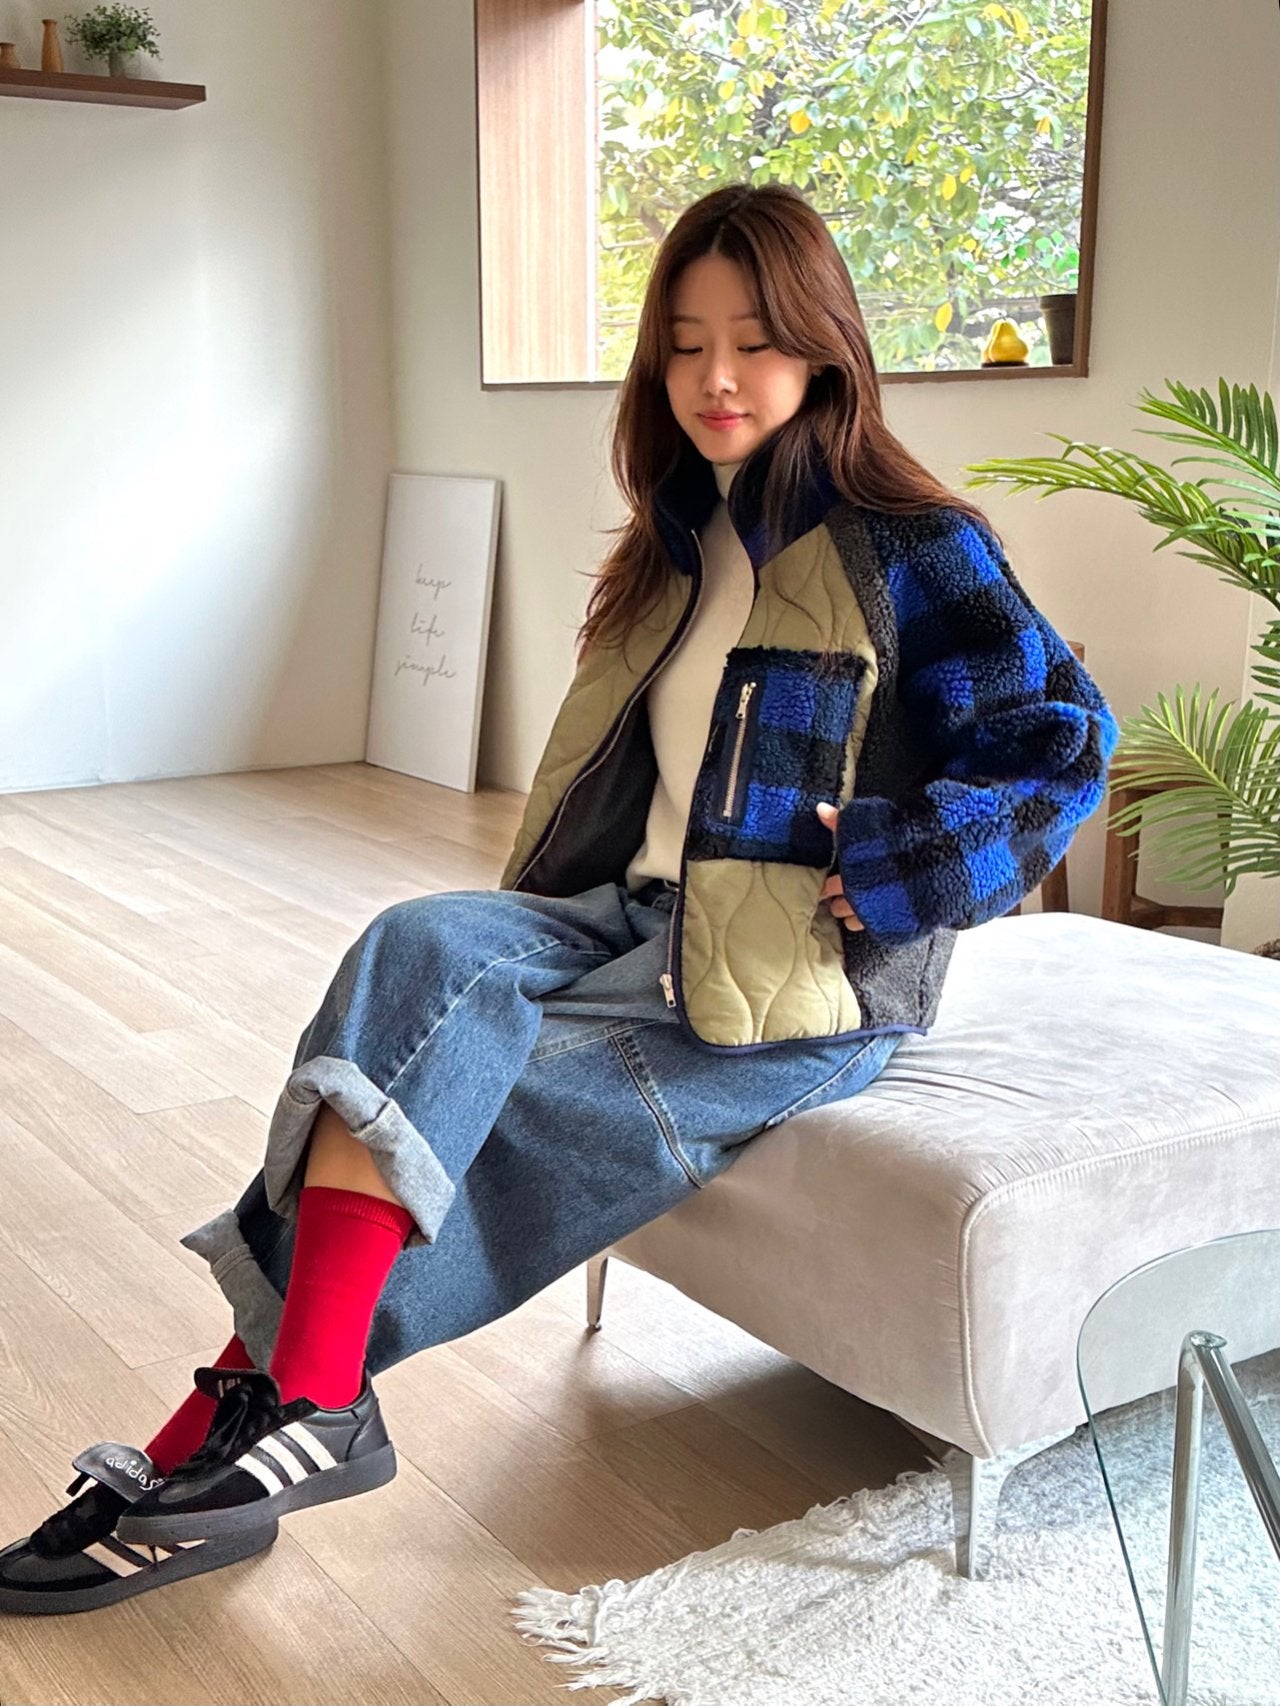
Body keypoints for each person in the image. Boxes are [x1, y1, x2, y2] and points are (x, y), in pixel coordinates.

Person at [0, 182, 1119, 1615]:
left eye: (756, 342)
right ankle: (305, 1412)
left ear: (826, 351)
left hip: (798, 983)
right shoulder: (677, 538)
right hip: (629, 915)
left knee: (497, 1102)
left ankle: (219, 1436)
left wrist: (906, 864)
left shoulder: (911, 546)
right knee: (416, 946)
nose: (717, 378)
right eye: (686, 345)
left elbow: (1061, 740)